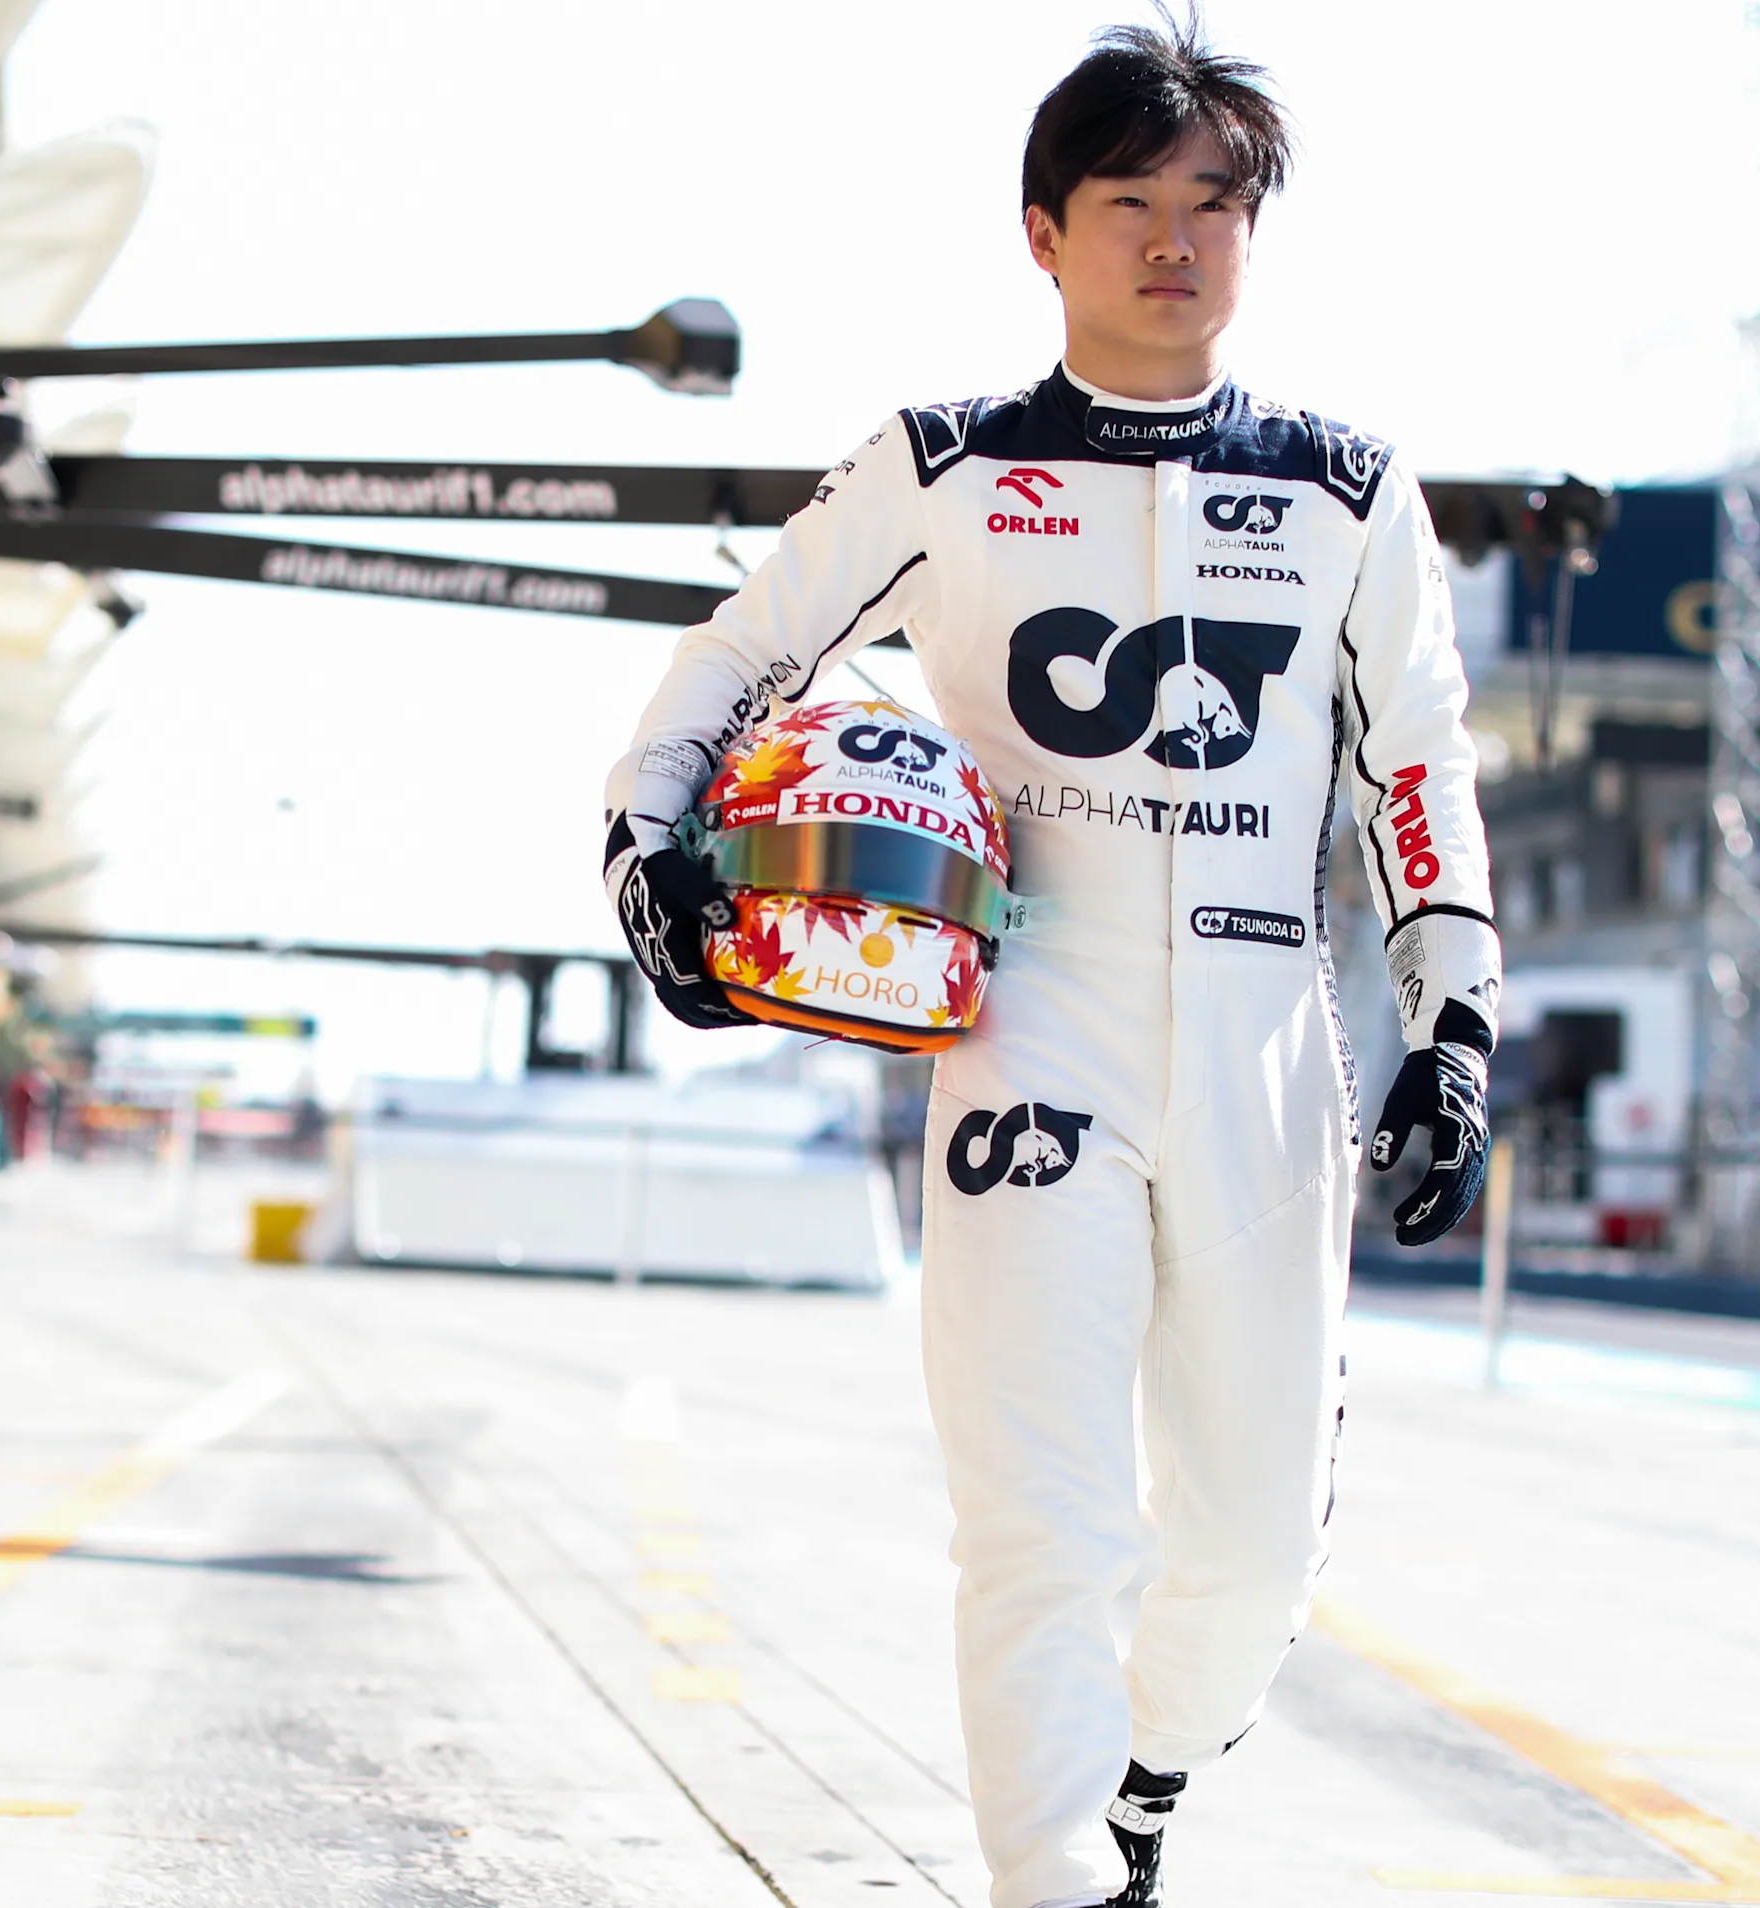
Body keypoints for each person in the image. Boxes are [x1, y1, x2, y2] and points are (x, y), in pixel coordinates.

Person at [600, 18, 1499, 1908]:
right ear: (1044, 231)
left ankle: (1143, 1790)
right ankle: (1055, 1887)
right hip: (1027, 1030)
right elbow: (738, 649)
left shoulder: (1351, 491)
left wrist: (1454, 1019)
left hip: (1272, 1046)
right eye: (1130, 204)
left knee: (1252, 1548)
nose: (1176, 241)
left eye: (1215, 205)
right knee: (1042, 1524)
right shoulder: (940, 466)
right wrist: (650, 847)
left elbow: (1415, 762)